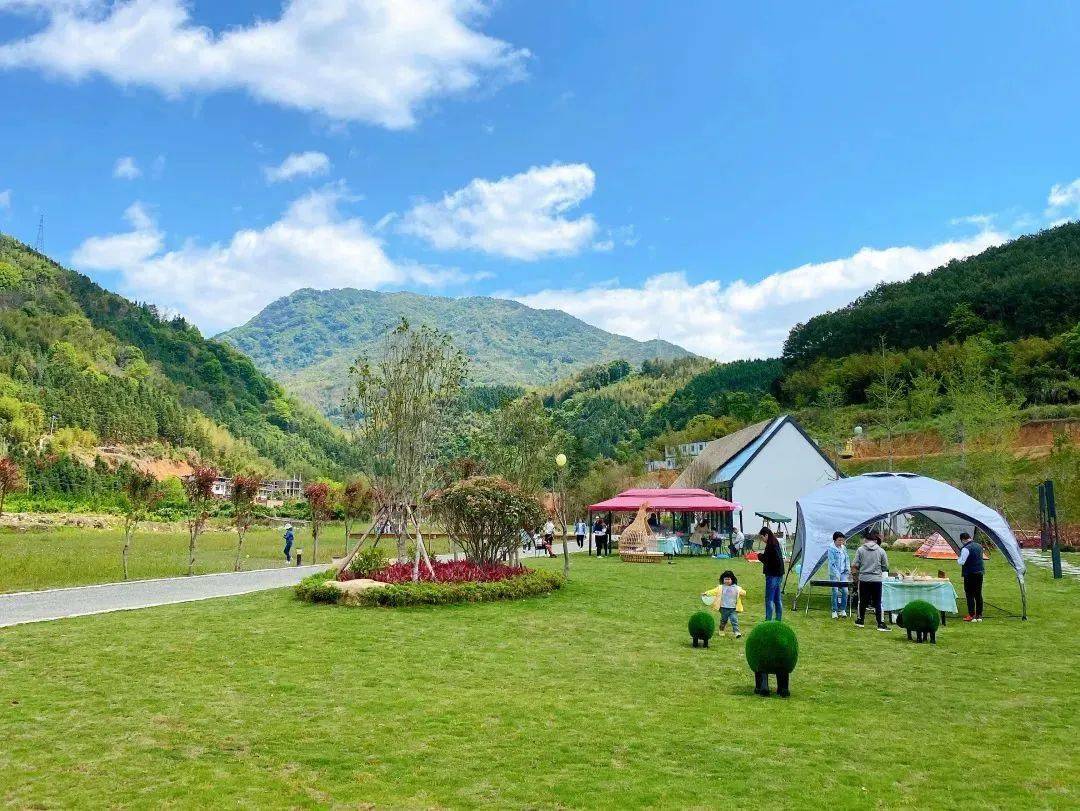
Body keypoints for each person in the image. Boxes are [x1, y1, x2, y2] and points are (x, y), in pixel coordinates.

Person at [853, 529, 890, 630]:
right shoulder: (881, 551)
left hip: (864, 579)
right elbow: (885, 566)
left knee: (862, 601)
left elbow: (855, 565)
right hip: (877, 580)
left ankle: (860, 620)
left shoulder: (860, 550)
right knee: (878, 602)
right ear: (875, 540)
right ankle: (880, 624)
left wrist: (856, 576)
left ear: (866, 540)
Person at [754, 527, 785, 621]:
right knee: (777, 598)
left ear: (766, 535)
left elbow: (767, 560)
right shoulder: (775, 543)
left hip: (772, 574)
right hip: (779, 573)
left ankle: (768, 620)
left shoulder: (771, 546)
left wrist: (759, 555)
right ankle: (778, 619)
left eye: (762, 537)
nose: (762, 540)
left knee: (769, 599)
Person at [703, 570, 745, 638]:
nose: (727, 581)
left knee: (734, 620)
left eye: (728, 579)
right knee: (723, 620)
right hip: (724, 608)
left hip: (733, 608)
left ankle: (737, 632)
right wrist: (706, 593)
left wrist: (743, 592)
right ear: (723, 579)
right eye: (725, 579)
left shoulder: (736, 588)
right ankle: (721, 630)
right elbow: (713, 591)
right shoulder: (721, 588)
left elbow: (743, 592)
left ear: (732, 579)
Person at [958, 531, 985, 622]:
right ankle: (979, 615)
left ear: (963, 540)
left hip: (970, 573)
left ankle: (971, 615)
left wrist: (958, 559)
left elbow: (962, 561)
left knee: (969, 594)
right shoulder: (979, 546)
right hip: (979, 572)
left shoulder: (966, 548)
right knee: (978, 594)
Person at [827, 531, 851, 619]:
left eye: (842, 540)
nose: (841, 542)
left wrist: (848, 569)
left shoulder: (844, 548)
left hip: (843, 573)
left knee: (845, 591)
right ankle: (834, 610)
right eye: (839, 540)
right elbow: (832, 563)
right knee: (835, 591)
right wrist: (837, 574)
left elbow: (847, 559)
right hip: (834, 573)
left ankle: (842, 609)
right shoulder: (831, 548)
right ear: (835, 540)